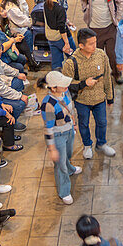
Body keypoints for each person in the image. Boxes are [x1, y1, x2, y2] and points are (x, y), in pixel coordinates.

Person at [62, 27, 116, 158]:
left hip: (99, 99)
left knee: (102, 123)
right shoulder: (71, 63)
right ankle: (87, 145)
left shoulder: (101, 55)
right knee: (84, 124)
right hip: (82, 101)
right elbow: (65, 85)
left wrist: (110, 98)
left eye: (95, 42)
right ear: (81, 45)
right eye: (91, 44)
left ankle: (101, 144)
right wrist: (84, 83)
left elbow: (107, 77)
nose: (95, 46)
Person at [38, 70, 83, 204]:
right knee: (59, 165)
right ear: (53, 87)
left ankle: (70, 168)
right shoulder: (48, 105)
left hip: (68, 131)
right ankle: (64, 191)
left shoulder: (64, 93)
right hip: (58, 135)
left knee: (67, 155)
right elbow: (48, 128)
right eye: (62, 84)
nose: (66, 86)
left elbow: (70, 110)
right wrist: (52, 149)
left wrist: (74, 124)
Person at [81, 0, 123, 79]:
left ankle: (116, 74)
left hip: (109, 28)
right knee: (96, 56)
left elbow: (120, 3)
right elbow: (83, 1)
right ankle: (99, 75)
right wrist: (86, 10)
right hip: (94, 30)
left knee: (112, 54)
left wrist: (117, 19)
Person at [0, 40, 33, 122]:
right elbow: (0, 89)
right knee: (20, 104)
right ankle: (11, 121)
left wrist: (17, 74)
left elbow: (2, 66)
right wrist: (19, 96)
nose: (2, 51)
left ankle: (15, 104)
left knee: (18, 82)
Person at [41, 0, 74, 71]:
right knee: (74, 57)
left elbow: (54, 19)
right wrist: (67, 43)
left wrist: (67, 21)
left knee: (56, 61)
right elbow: (61, 27)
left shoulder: (45, 5)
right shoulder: (60, 9)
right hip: (61, 38)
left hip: (51, 38)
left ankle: (56, 78)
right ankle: (77, 74)